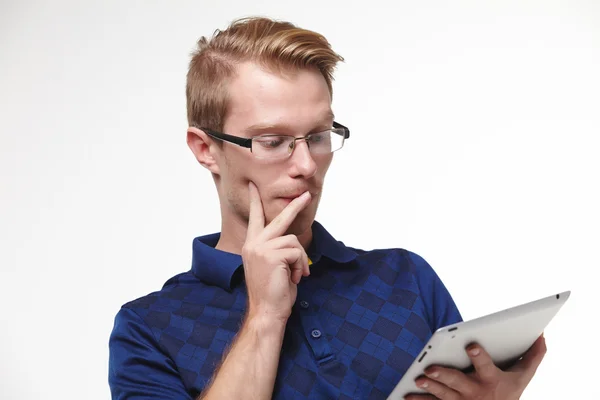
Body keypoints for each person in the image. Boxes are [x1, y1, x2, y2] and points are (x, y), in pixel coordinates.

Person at [108, 16, 546, 400]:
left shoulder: (406, 280)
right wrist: (264, 316)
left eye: (318, 136)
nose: (305, 165)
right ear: (205, 149)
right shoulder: (148, 329)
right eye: (273, 141)